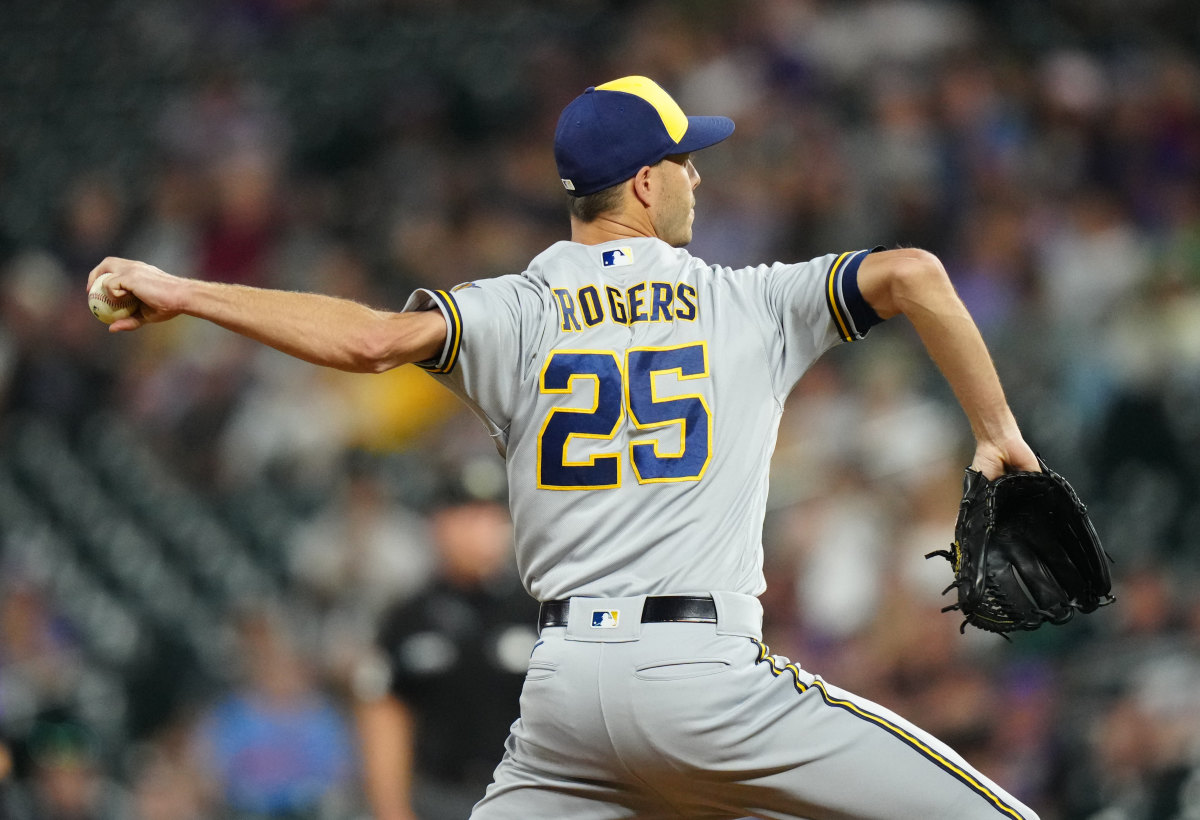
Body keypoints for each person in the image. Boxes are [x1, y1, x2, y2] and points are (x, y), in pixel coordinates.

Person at [88, 75, 1042, 818]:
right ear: (642, 182)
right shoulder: (747, 299)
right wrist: (997, 433)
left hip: (564, 704)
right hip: (705, 680)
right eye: (683, 160)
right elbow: (916, 273)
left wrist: (183, 290)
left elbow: (370, 340)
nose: (697, 176)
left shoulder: (513, 309)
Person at [353, 463, 537, 820]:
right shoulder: (407, 617)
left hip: (526, 796)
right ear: (437, 523)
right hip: (438, 798)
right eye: (464, 515)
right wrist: (391, 809)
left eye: (489, 515)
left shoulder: (535, 612)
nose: (479, 529)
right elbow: (384, 715)